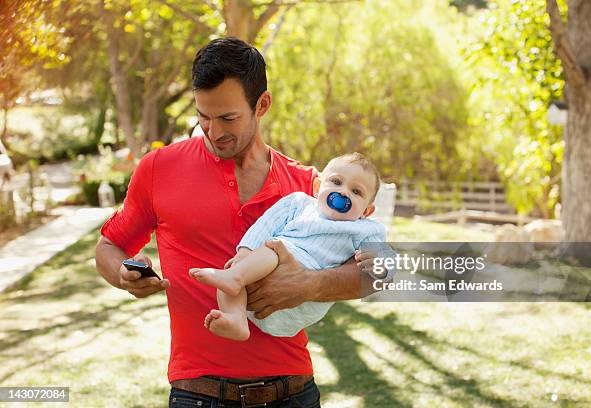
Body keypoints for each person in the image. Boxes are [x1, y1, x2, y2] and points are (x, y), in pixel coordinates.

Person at [94, 37, 391, 408]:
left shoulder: (311, 186)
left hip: (293, 391)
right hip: (197, 393)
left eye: (228, 118)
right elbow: (110, 246)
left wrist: (310, 285)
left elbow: (379, 275)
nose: (214, 131)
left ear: (261, 104)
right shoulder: (158, 169)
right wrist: (123, 275)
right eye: (203, 116)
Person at [189, 153, 387, 341]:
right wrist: (244, 254)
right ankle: (236, 318)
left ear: (367, 211)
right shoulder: (298, 204)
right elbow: (264, 226)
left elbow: (382, 269)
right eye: (336, 182)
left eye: (356, 191)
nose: (343, 192)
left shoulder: (367, 229)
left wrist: (376, 263)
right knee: (235, 272)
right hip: (261, 283)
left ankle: (235, 279)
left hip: (304, 303)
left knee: (273, 249)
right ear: (318, 187)